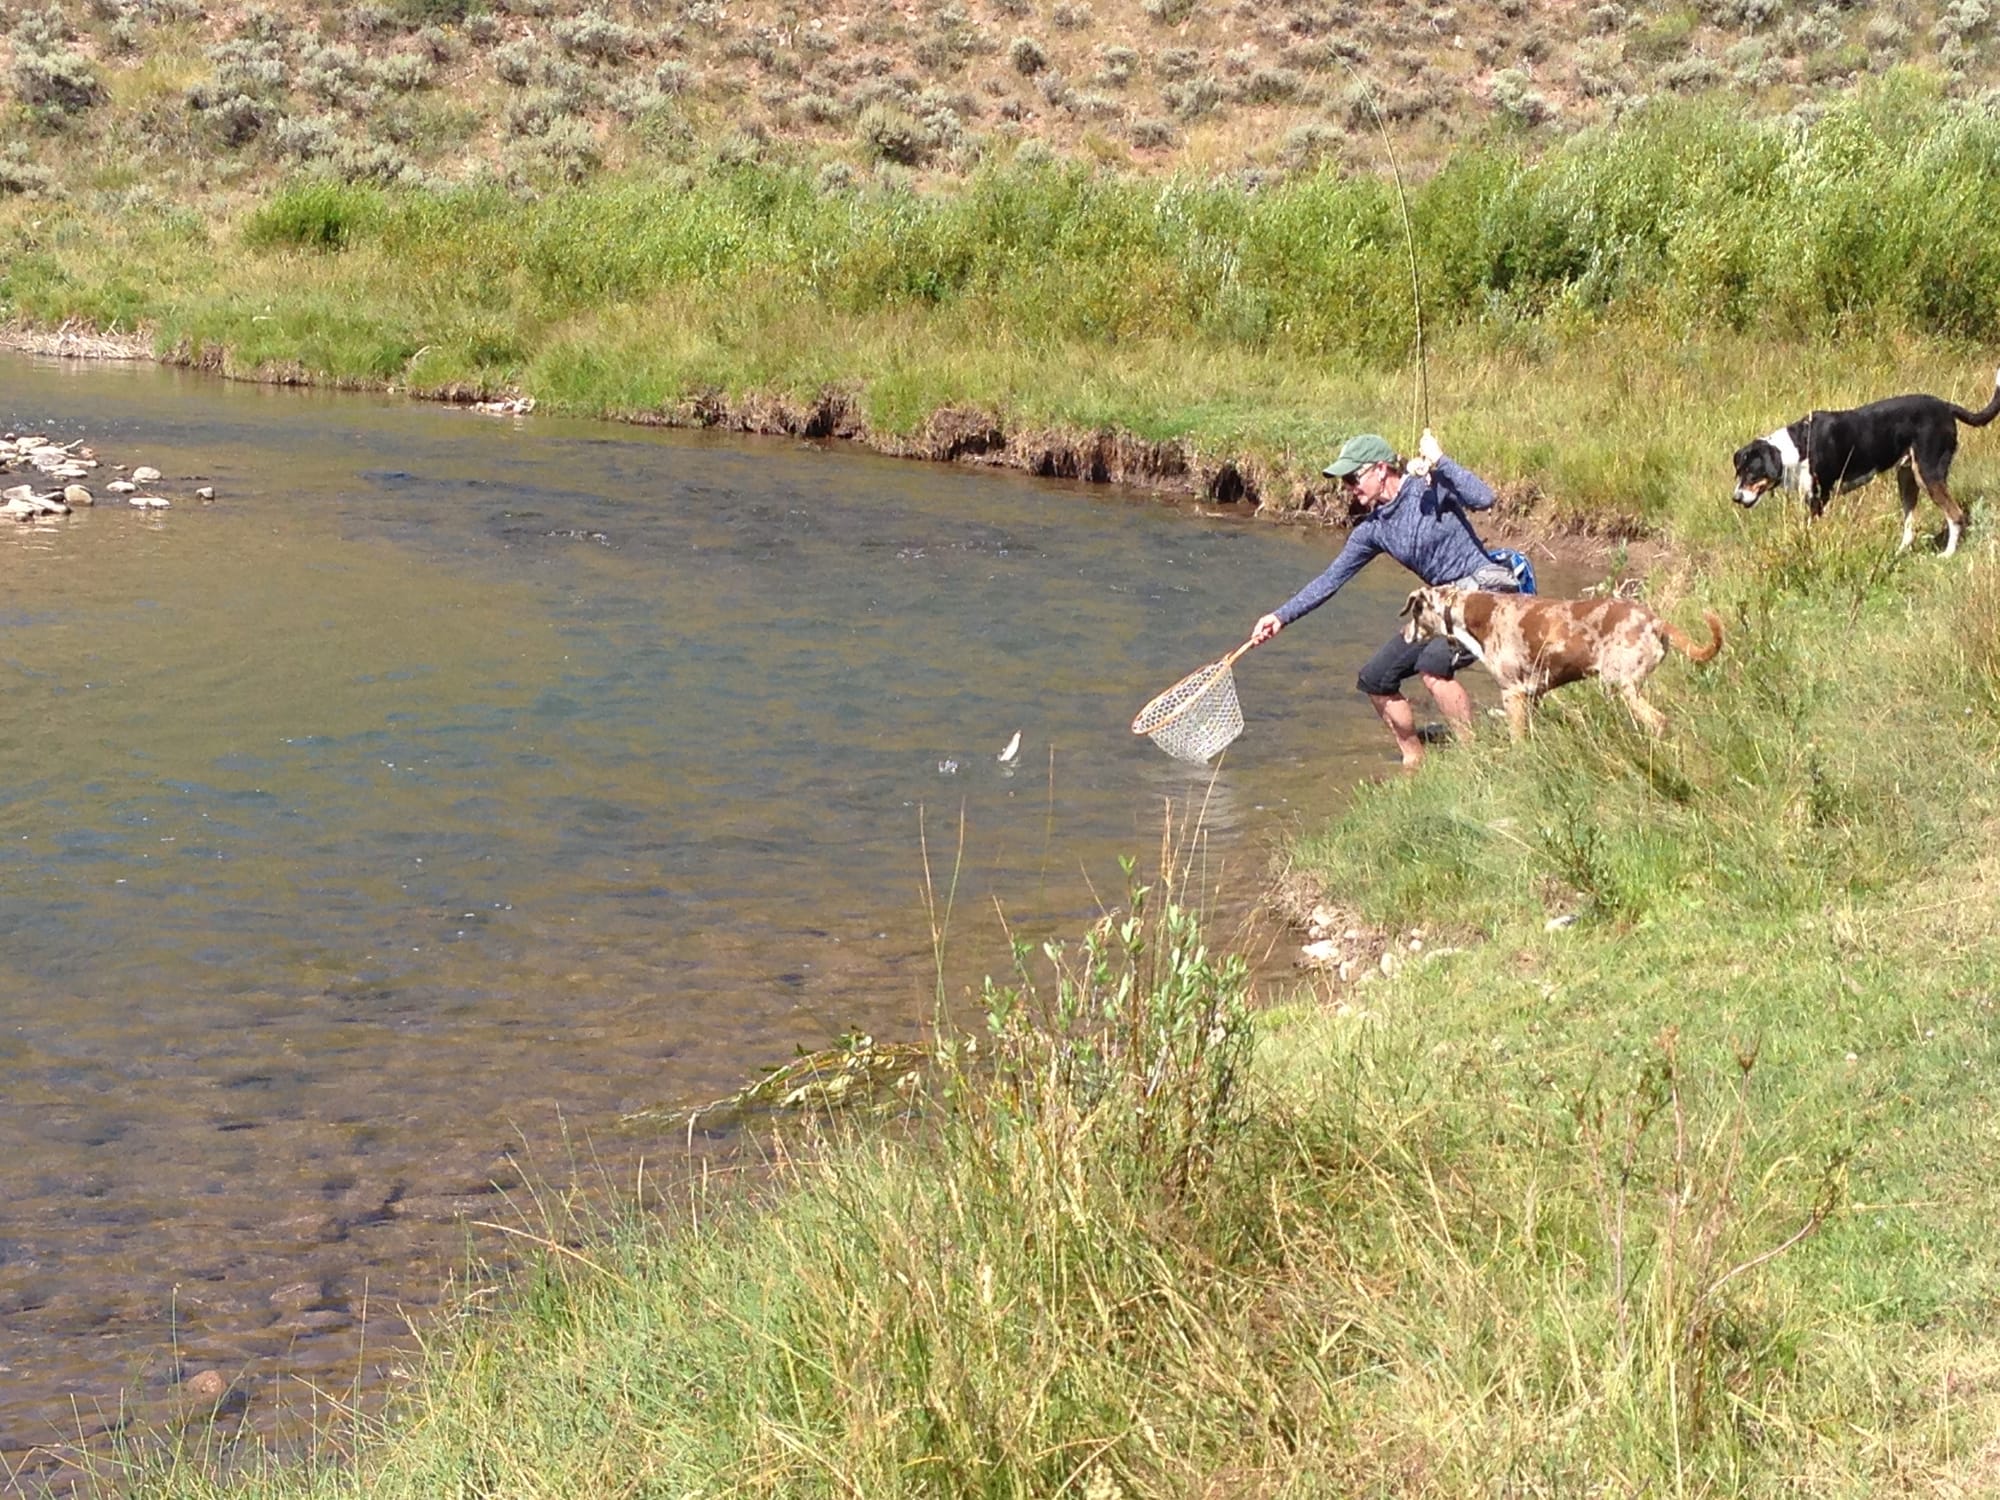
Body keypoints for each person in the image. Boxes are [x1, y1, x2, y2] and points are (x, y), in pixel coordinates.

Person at [1251, 429, 1520, 769]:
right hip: (1442, 606)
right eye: (1344, 481)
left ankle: (1474, 761)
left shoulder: (1427, 486)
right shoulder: (1373, 529)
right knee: (1375, 679)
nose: (1348, 487)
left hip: (1487, 595)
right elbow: (1330, 579)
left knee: (1433, 667)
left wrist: (1439, 460)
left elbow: (1485, 498)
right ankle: (1414, 763)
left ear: (1381, 469)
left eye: (1352, 477)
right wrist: (1280, 617)